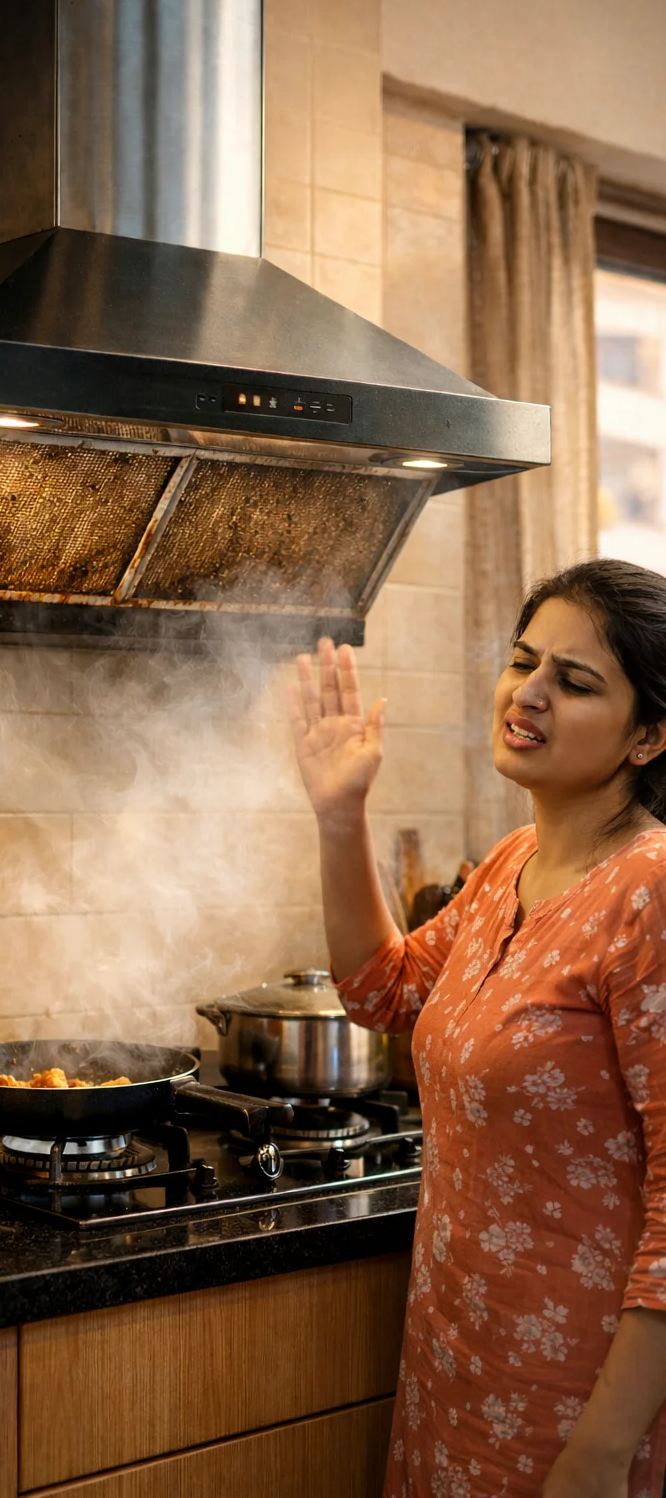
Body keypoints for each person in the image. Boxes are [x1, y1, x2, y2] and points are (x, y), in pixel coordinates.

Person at [289, 559, 666, 1498]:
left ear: (650, 736)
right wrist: (339, 815)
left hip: (581, 1400)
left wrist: (602, 1453)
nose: (528, 693)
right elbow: (384, 992)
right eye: (524, 661)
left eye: (575, 681)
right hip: (455, 1364)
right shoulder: (513, 862)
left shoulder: (651, 891)